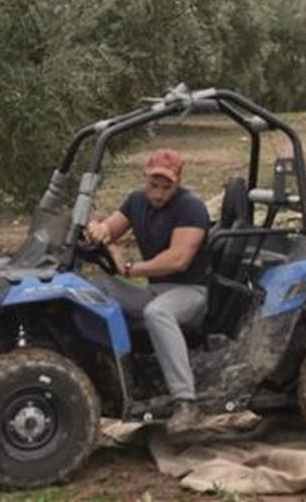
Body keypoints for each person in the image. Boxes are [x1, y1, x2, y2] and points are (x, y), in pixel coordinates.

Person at [86, 148, 212, 434]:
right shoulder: (136, 201)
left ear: (177, 183)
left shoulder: (191, 207)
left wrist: (130, 268)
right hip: (155, 289)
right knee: (92, 290)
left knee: (157, 314)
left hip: (189, 291)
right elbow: (109, 229)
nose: (158, 193)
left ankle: (185, 401)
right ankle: (102, 376)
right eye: (153, 185)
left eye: (166, 187)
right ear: (146, 179)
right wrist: (98, 230)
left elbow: (178, 260)